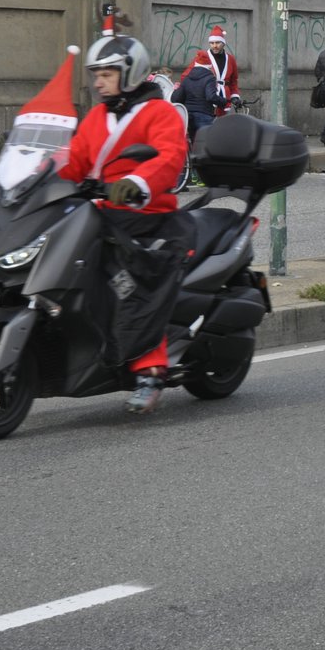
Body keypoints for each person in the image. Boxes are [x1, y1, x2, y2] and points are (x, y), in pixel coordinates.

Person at [57, 33, 190, 414]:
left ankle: (150, 370)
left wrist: (138, 182)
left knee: (131, 283)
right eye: (95, 74)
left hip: (148, 218)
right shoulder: (97, 116)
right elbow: (76, 159)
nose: (97, 81)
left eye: (106, 73)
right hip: (103, 215)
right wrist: (41, 172)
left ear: (129, 72)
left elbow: (169, 157)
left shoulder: (158, 112)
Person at [175, 49, 227, 140]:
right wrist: (223, 101)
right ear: (208, 66)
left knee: (194, 144)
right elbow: (211, 96)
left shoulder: (187, 79)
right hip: (204, 115)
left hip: (188, 116)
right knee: (205, 144)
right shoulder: (209, 78)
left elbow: (175, 98)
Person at [205, 25, 239, 105]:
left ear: (223, 43)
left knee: (225, 118)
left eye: (217, 43)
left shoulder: (230, 59)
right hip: (208, 96)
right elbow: (190, 75)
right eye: (212, 43)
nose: (214, 46)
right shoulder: (203, 57)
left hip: (225, 97)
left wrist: (234, 96)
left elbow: (233, 81)